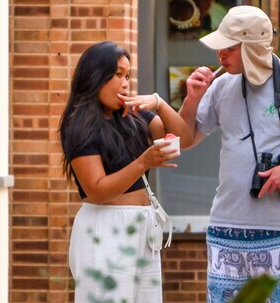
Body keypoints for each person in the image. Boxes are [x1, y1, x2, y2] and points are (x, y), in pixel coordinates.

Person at [178, 5, 280, 302]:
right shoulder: (220, 86)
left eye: (228, 48)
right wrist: (191, 100)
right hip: (225, 228)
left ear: (252, 47)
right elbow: (184, 140)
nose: (220, 55)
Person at [59, 41, 191, 303]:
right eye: (117, 74)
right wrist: (143, 162)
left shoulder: (134, 117)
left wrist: (158, 102)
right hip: (105, 226)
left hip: (143, 224)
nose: (125, 82)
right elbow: (96, 190)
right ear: (96, 76)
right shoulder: (80, 125)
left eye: (128, 75)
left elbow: (184, 138)